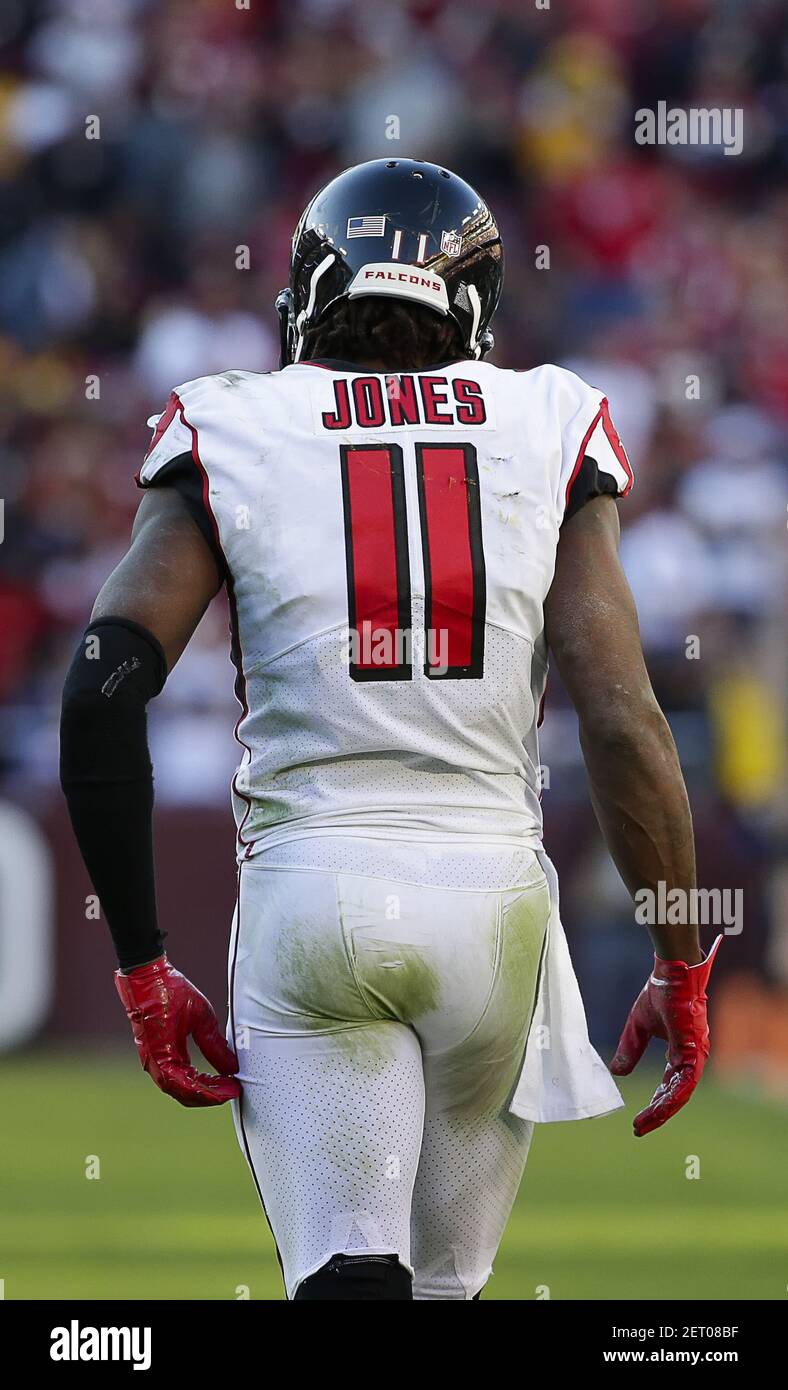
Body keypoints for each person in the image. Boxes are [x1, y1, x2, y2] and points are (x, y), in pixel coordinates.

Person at [60, 158, 720, 1302]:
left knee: (348, 1281)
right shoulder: (546, 417)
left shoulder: (237, 421)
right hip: (496, 909)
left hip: (317, 893)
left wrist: (140, 966)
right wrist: (679, 958)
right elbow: (620, 718)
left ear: (315, 291)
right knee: (437, 1294)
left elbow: (101, 687)